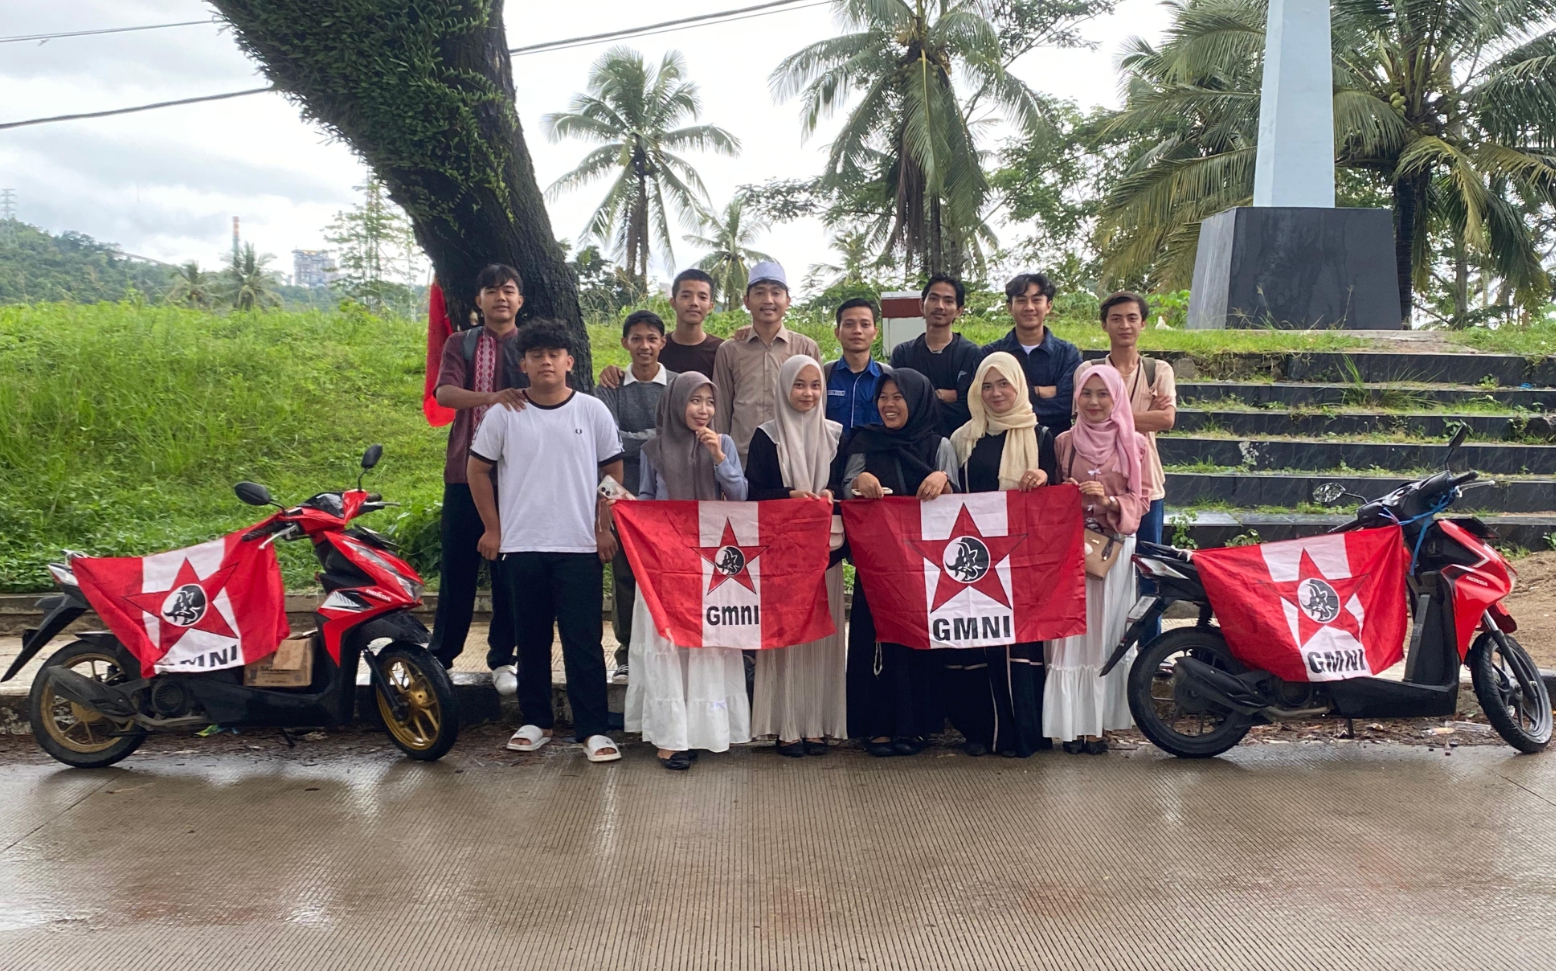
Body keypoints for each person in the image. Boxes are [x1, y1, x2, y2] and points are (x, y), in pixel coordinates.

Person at [467, 321, 623, 764]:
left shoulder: (591, 411)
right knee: (531, 638)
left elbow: (612, 472)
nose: (547, 362)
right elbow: (477, 470)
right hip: (522, 544)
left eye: (555, 354)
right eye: (537, 355)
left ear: (569, 362)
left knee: (584, 640)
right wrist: (492, 528)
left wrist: (603, 526)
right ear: (524, 364)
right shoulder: (504, 414)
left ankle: (592, 728)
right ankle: (535, 721)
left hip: (579, 545)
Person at [624, 372, 751, 771]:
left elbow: (740, 495)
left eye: (709, 402)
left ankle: (707, 728)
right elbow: (646, 500)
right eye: (694, 401)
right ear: (676, 404)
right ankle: (671, 736)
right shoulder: (653, 449)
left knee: (707, 645)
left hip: (711, 562)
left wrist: (718, 457)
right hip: (666, 563)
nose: (703, 410)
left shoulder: (724, 443)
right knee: (669, 646)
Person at [836, 369, 960, 757]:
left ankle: (916, 724)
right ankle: (877, 726)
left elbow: (959, 497)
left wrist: (943, 480)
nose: (889, 405)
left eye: (898, 397)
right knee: (876, 639)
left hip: (926, 566)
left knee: (917, 642)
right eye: (883, 397)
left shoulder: (938, 445)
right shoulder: (864, 440)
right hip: (879, 564)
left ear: (918, 399)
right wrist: (860, 483)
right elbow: (844, 486)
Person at [943, 352, 1058, 757]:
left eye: (1003, 384)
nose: (995, 393)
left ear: (1018, 385)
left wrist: (1044, 477)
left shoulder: (1042, 437)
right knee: (978, 643)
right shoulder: (963, 439)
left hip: (1022, 560)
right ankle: (982, 732)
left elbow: (1057, 497)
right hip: (974, 561)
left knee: (1019, 648)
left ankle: (1022, 734)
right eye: (986, 386)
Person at [745, 355, 847, 757]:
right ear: (784, 388)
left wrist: (828, 497)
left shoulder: (836, 434)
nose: (808, 393)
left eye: (815, 385)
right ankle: (786, 726)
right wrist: (789, 498)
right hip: (783, 556)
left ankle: (818, 725)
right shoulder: (766, 436)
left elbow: (845, 485)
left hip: (825, 551)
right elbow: (755, 496)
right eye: (799, 385)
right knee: (787, 637)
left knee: (823, 635)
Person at [1047, 365, 1149, 755]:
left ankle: (1098, 727)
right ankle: (1070, 724)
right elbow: (1053, 492)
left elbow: (1141, 502)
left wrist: (1108, 501)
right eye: (1086, 394)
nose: (1093, 402)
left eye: (1102, 394)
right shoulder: (1064, 442)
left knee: (1105, 632)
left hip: (1113, 550)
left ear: (1116, 397)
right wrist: (1068, 494)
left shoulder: (1134, 444)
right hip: (1073, 548)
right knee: (1071, 634)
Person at [428, 263, 524, 673]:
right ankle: (442, 655)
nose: (500, 297)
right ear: (478, 300)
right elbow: (445, 392)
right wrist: (493, 397)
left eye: (508, 290)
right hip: (463, 471)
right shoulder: (460, 343)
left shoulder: (531, 344)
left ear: (520, 300)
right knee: (457, 567)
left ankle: (503, 657)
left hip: (518, 475)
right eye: (491, 290)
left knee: (510, 571)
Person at [1074, 292, 1176, 639]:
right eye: (1116, 318)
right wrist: (1140, 416)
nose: (1125, 325)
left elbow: (1166, 419)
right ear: (1104, 325)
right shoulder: (1089, 371)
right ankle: (1107, 645)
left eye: (1132, 318)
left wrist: (1114, 415)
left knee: (1150, 570)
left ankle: (1150, 649)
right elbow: (1083, 416)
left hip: (1146, 486)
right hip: (1099, 483)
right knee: (1099, 567)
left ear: (1143, 323)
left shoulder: (1157, 370)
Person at [593, 309, 677, 683]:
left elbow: (680, 438)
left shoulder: (677, 385)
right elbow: (608, 442)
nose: (645, 346)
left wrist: (638, 440)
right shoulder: (609, 388)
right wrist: (656, 439)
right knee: (625, 576)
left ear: (662, 342)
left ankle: (671, 644)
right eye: (637, 338)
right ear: (626, 343)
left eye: (652, 338)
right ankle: (626, 652)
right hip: (622, 495)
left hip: (669, 495)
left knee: (669, 575)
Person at [712, 261, 821, 465]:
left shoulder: (806, 348)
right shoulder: (730, 350)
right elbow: (722, 408)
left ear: (787, 301)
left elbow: (817, 407)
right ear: (747, 301)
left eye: (776, 293)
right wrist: (722, 461)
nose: (768, 300)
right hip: (741, 456)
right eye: (759, 293)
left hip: (791, 455)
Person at [981, 272, 1082, 435]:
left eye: (1036, 300)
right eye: (1021, 300)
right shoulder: (991, 354)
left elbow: (1066, 405)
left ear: (1048, 306)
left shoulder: (1067, 354)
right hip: (1001, 444)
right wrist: (1040, 392)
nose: (1029, 307)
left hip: (1053, 447)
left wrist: (1012, 401)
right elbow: (984, 404)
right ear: (1010, 307)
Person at [890, 274, 982, 439]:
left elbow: (968, 408)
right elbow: (898, 404)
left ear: (959, 310)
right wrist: (939, 395)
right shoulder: (903, 353)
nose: (940, 306)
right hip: (911, 443)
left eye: (948, 301)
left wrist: (919, 399)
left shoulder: (971, 354)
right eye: (933, 298)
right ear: (921, 304)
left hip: (959, 441)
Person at [596, 268, 723, 387]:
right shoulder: (656, 346)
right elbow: (637, 375)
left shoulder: (722, 351)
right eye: (686, 296)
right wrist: (613, 373)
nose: (694, 303)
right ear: (673, 302)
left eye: (702, 297)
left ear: (711, 306)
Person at [824, 298, 886, 435]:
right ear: (837, 333)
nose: (857, 331)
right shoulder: (825, 375)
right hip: (832, 454)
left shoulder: (887, 376)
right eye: (849, 324)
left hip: (875, 455)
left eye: (865, 324)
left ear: (875, 332)